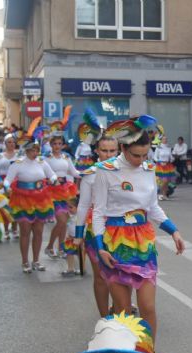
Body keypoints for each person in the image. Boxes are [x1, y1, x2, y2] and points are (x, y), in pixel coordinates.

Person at [92, 116, 186, 337]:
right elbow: (98, 212)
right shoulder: (106, 170)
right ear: (123, 148)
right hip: (115, 242)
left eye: (145, 154)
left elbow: (152, 207)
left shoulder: (148, 169)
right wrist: (99, 248)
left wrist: (174, 231)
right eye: (136, 155)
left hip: (143, 242)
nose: (141, 159)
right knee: (123, 311)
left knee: (148, 307)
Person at [74, 112, 118, 317]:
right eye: (104, 151)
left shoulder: (127, 172)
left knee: (120, 275)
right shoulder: (90, 175)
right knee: (101, 276)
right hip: (96, 229)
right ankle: (104, 317)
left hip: (122, 229)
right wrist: (78, 233)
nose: (109, 155)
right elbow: (83, 206)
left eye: (113, 151)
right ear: (97, 151)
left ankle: (121, 310)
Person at [3, 119, 58, 273]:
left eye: (37, 150)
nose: (35, 152)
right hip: (23, 200)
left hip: (40, 199)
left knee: (39, 231)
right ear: (26, 150)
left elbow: (51, 174)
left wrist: (53, 179)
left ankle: (36, 260)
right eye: (33, 150)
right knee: (25, 231)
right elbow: (8, 179)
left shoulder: (42, 162)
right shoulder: (18, 163)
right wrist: (6, 186)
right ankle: (25, 261)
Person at [44, 132, 80, 258]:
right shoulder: (46, 158)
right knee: (62, 220)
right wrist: (50, 180)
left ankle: (60, 248)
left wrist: (88, 173)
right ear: (51, 145)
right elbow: (42, 174)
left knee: (64, 222)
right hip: (52, 190)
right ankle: (49, 246)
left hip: (66, 190)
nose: (57, 146)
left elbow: (74, 172)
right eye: (55, 144)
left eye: (60, 143)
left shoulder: (66, 157)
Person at [0, 133, 20, 239]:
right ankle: (6, 229)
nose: (12, 144)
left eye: (13, 142)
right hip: (2, 183)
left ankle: (14, 229)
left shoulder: (19, 155)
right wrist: (0, 180)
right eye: (9, 142)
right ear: (5, 144)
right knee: (5, 207)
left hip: (16, 184)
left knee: (15, 207)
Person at [153, 131, 176, 200]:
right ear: (161, 140)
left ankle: (164, 195)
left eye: (166, 139)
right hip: (161, 165)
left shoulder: (168, 147)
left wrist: (172, 159)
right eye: (164, 139)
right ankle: (160, 194)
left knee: (168, 181)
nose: (165, 140)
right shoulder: (158, 147)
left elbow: (171, 157)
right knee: (164, 180)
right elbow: (155, 157)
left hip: (168, 165)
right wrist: (159, 162)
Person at [61, 201, 81, 277]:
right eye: (68, 207)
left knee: (80, 254)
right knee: (69, 253)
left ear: (77, 208)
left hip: (79, 239)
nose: (69, 209)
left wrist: (80, 237)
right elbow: (68, 226)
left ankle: (82, 268)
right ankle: (70, 268)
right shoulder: (69, 215)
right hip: (70, 238)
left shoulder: (80, 216)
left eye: (71, 207)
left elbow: (84, 228)